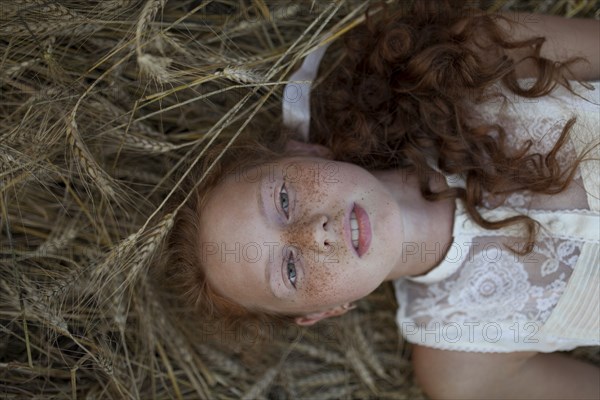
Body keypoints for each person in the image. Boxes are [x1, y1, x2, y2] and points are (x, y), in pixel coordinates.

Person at [160, 1, 600, 398]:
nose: (313, 233)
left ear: (305, 152)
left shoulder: (474, 61)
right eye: (290, 270)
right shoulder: (463, 362)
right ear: (325, 311)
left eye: (283, 200)